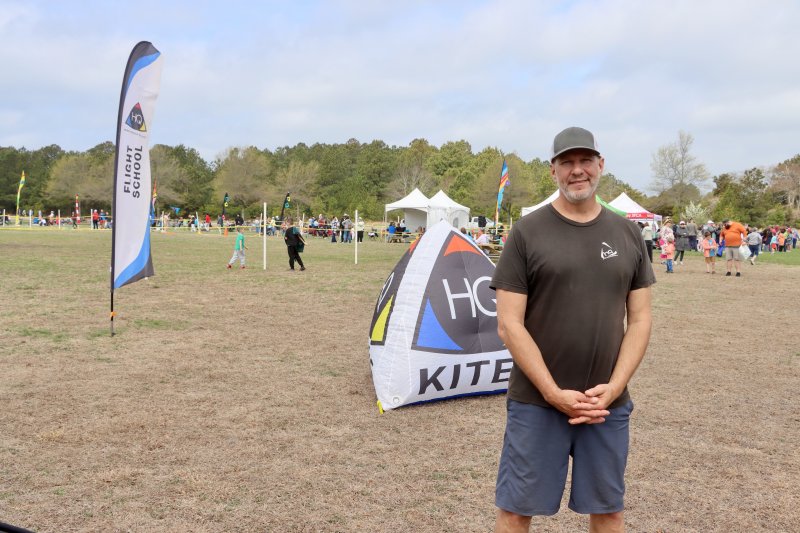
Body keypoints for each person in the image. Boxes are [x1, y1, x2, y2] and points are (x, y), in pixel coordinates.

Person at [491, 127, 655, 533]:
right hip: (536, 402)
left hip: (605, 406)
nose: (576, 170)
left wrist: (614, 388)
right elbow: (509, 324)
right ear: (553, 171)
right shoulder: (528, 232)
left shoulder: (627, 233)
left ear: (601, 166)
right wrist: (551, 391)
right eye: (567, 162)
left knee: (609, 511)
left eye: (585, 161)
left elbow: (640, 318)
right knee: (515, 512)